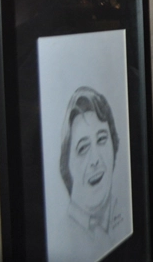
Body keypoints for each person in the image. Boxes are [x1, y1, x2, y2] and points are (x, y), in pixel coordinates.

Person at [58, 86, 128, 260]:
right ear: (66, 166)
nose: (95, 159)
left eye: (102, 139)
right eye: (83, 148)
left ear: (114, 145)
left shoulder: (124, 211)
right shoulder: (62, 238)